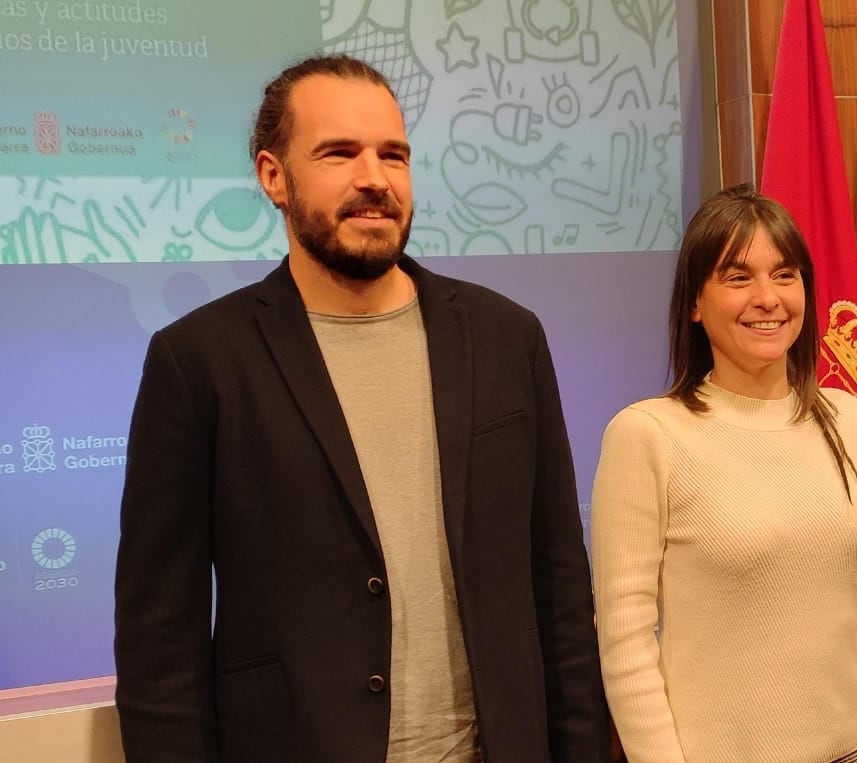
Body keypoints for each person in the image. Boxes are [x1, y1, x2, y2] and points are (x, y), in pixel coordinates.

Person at [112, 54, 609, 763]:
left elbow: (558, 586)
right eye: (339, 153)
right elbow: (160, 634)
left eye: (393, 155)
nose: (374, 177)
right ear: (273, 176)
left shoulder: (507, 337)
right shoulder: (198, 360)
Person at [590, 184, 857, 763]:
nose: (767, 298)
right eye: (737, 276)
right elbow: (626, 645)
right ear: (695, 303)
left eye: (784, 274)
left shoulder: (846, 417)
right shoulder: (647, 434)